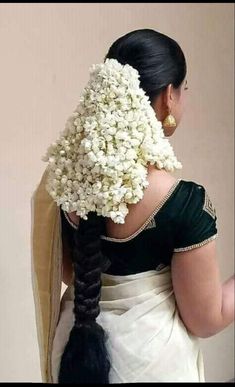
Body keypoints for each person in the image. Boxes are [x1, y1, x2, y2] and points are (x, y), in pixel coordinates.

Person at [31, 29, 234, 384]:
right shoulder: (183, 202)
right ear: (169, 97)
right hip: (151, 365)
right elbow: (205, 318)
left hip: (74, 355)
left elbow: (69, 273)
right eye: (184, 89)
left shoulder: (64, 182)